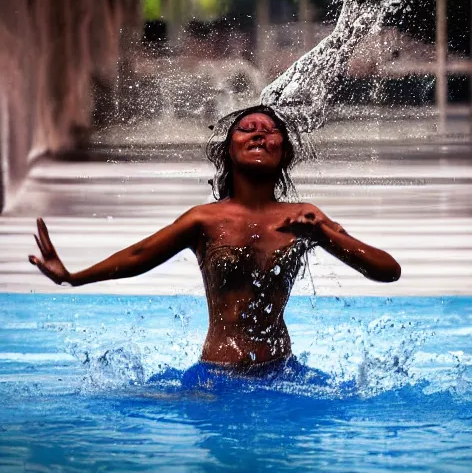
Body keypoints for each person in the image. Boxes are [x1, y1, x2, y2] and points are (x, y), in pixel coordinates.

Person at [29, 105, 400, 383]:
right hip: (216, 377)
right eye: (247, 129)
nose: (259, 134)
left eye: (271, 131)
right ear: (229, 149)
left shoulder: (305, 218)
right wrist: (73, 277)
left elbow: (389, 271)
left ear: (284, 151)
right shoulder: (204, 220)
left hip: (283, 376)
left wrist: (325, 234)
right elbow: (140, 255)